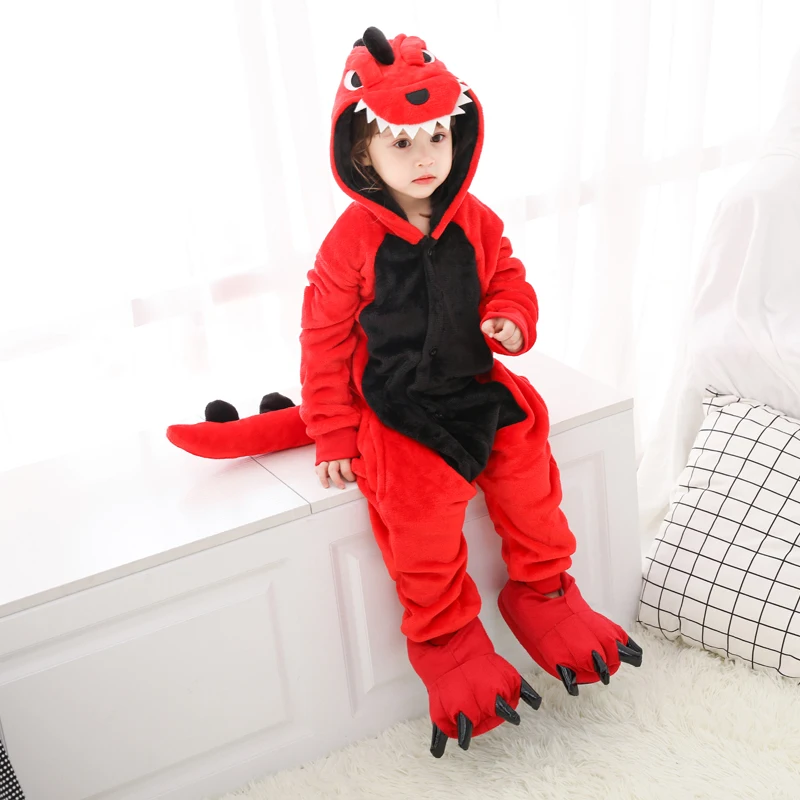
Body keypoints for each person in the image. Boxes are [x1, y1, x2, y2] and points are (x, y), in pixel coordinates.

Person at [167, 26, 642, 758]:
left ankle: (545, 592)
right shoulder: (349, 242)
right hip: (396, 402)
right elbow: (323, 340)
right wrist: (332, 431)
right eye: (401, 142)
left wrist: (511, 318)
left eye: (436, 138)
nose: (424, 158)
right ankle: (448, 643)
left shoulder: (477, 219)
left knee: (528, 466)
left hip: (474, 383)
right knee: (419, 513)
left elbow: (509, 278)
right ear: (363, 153)